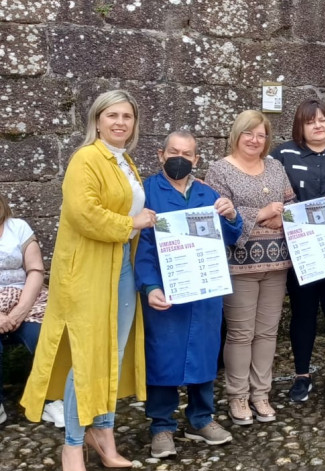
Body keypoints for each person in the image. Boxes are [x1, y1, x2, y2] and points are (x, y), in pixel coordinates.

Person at [21, 89, 156, 470]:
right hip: (88, 271)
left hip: (121, 268)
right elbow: (85, 214)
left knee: (110, 355)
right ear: (96, 120)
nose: (119, 122)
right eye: (112, 115)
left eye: (126, 117)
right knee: (87, 357)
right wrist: (132, 222)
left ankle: (104, 435)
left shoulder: (124, 160)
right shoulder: (86, 158)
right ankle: (72, 446)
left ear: (134, 124)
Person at [135, 132, 242, 458]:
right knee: (161, 356)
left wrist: (232, 215)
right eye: (173, 152)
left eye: (187, 153)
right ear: (160, 154)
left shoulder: (209, 194)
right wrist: (150, 286)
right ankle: (162, 426)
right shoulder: (146, 192)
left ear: (197, 159)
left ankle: (201, 418)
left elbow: (231, 236)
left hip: (204, 291)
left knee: (204, 353)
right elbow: (142, 247)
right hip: (167, 291)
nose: (179, 158)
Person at [206, 110, 295, 426]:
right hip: (239, 264)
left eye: (261, 134)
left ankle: (261, 393)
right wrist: (260, 214)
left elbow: (290, 205)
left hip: (277, 260)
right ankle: (238, 395)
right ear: (236, 135)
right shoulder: (219, 170)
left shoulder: (275, 167)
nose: (255, 140)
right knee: (241, 333)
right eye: (249, 133)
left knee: (267, 332)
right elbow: (217, 213)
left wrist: (278, 214)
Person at [271, 99, 325, 404]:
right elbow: (262, 181)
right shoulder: (282, 154)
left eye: (323, 120)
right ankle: (301, 375)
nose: (318, 125)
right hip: (301, 249)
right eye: (311, 122)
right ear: (301, 126)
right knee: (303, 312)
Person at [0, 193, 63, 428]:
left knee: (45, 337)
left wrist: (17, 313)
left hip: (26, 300)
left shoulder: (18, 227)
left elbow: (35, 270)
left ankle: (52, 400)